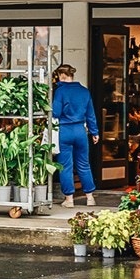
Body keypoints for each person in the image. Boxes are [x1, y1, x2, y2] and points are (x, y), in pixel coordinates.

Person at [51, 63, 99, 206]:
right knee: (84, 164)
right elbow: (91, 114)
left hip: (64, 131)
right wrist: (94, 132)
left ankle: (69, 199)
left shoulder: (60, 91)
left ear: (61, 76)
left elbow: (55, 113)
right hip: (80, 131)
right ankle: (90, 197)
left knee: (65, 165)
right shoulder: (85, 91)